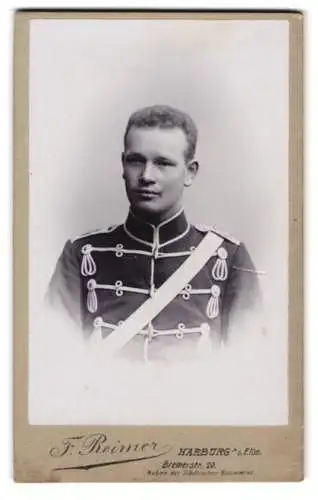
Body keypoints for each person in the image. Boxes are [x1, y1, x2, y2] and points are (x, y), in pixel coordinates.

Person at [47, 104, 264, 362]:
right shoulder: (82, 254)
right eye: (136, 161)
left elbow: (250, 366)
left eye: (163, 163)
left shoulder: (228, 258)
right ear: (123, 165)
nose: (146, 176)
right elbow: (53, 361)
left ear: (190, 173)